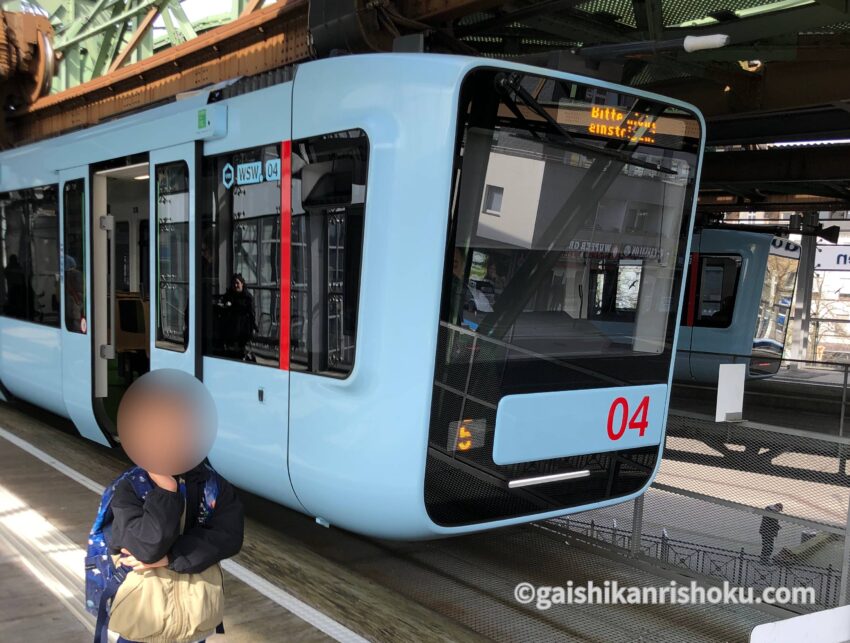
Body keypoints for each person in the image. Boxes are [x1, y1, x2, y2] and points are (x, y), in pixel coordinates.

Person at [86, 369, 244, 643]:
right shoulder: (128, 488)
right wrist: (167, 490)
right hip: (143, 622)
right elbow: (146, 547)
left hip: (192, 620)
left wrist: (172, 558)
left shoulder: (213, 486)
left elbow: (230, 538)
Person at [223, 273, 257, 360]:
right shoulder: (230, 295)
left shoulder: (248, 297)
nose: (236, 285)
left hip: (243, 327)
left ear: (242, 283)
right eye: (234, 283)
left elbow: (252, 313)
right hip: (231, 327)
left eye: (237, 283)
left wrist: (253, 328)